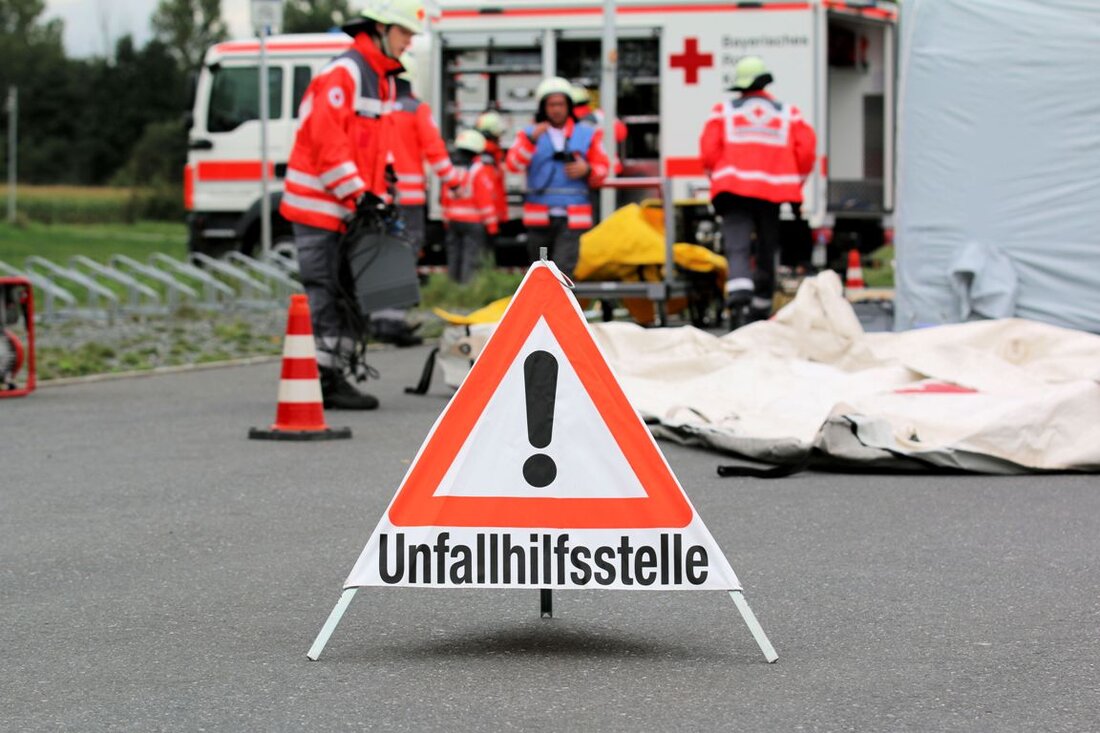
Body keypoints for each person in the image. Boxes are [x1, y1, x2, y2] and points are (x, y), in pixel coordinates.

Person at [278, 0, 424, 409]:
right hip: (319, 206)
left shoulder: (382, 80)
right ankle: (323, 378)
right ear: (379, 29)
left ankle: (334, 372)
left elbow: (376, 146)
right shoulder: (345, 74)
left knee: (346, 294)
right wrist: (359, 194)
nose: (409, 41)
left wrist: (383, 185)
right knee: (325, 290)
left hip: (345, 207)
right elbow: (327, 142)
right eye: (404, 32)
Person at [699, 55, 816, 325]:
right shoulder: (789, 113)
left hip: (732, 191)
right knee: (767, 248)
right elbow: (807, 152)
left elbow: (708, 153)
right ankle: (761, 308)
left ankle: (739, 303)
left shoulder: (723, 111)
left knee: (737, 247)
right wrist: (793, 183)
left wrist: (718, 178)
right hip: (772, 194)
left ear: (741, 85)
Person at [372, 51, 457, 347]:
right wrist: (452, 179)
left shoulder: (378, 106)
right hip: (408, 200)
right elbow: (433, 148)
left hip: (378, 197)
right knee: (405, 257)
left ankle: (378, 319)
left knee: (380, 257)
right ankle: (394, 322)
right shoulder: (415, 109)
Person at [504, 76, 610, 278]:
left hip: (572, 218)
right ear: (543, 107)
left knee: (562, 273)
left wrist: (587, 169)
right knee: (539, 274)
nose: (556, 109)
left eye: (560, 104)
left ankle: (558, 310)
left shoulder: (587, 134)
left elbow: (604, 168)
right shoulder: (528, 134)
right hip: (539, 219)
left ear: (568, 106)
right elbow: (513, 165)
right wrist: (530, 141)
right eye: (551, 104)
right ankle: (541, 309)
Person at [441, 129, 499, 283]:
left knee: (454, 256)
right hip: (474, 222)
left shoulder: (451, 171)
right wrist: (492, 226)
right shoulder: (477, 171)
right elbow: (484, 201)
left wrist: (446, 219)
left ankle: (451, 287)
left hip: (453, 220)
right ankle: (467, 290)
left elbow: (445, 198)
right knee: (470, 258)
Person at [570, 83, 627, 175]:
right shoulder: (602, 115)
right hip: (610, 168)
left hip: (591, 172)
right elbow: (622, 134)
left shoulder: (568, 122)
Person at [474, 110, 509, 225]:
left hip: (485, 215)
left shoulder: (489, 154)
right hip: (486, 217)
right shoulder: (488, 156)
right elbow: (488, 190)